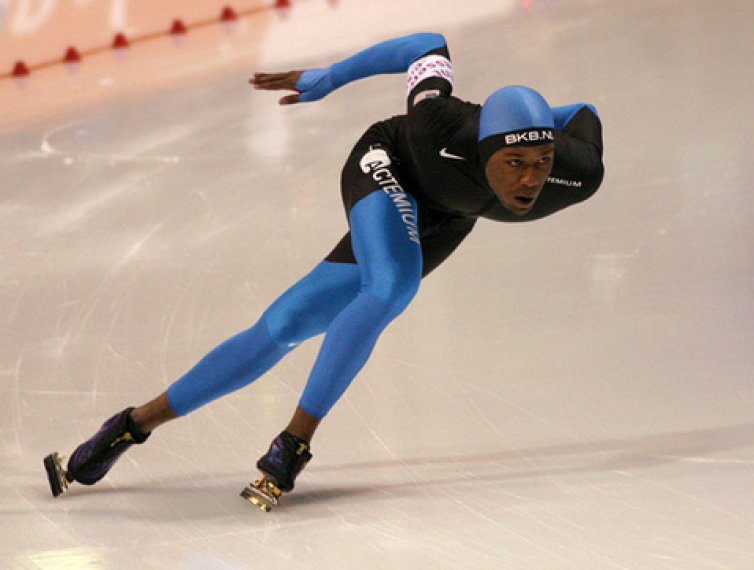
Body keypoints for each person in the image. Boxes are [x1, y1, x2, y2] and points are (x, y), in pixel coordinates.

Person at [44, 32, 604, 509]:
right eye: (513, 163)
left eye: (540, 163)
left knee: (284, 326)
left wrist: (538, 126)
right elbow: (428, 46)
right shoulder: (438, 124)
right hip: (387, 166)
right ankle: (293, 444)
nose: (530, 181)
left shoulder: (575, 174)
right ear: (482, 149)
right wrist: (331, 75)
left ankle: (129, 425)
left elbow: (584, 115)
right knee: (390, 286)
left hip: (448, 217)